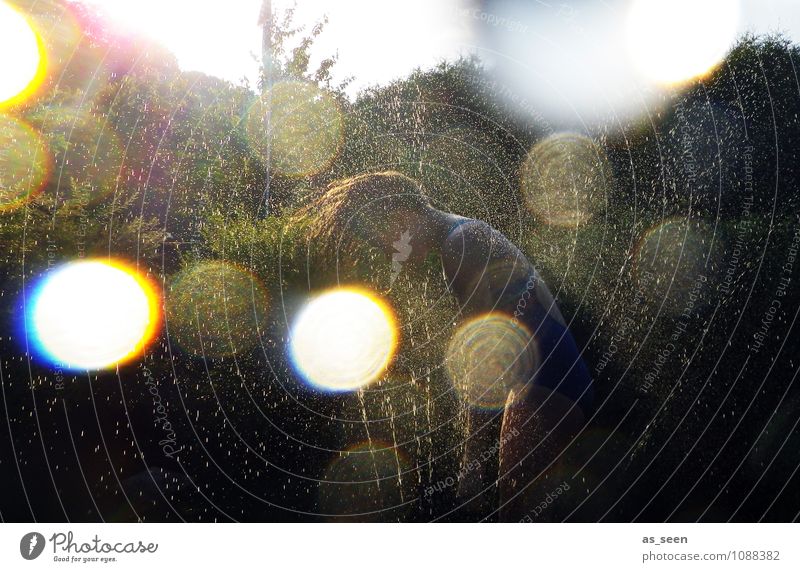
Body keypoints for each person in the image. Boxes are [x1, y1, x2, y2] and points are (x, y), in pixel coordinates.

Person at [296, 171, 593, 520]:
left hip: (543, 386)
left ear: (401, 215)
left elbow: (487, 361)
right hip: (556, 380)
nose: (393, 254)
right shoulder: (465, 234)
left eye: (387, 242)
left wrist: (471, 463)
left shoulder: (461, 244)